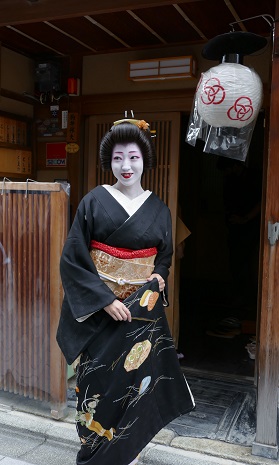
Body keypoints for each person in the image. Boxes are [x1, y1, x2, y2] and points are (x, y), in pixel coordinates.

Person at [56, 118, 194, 465]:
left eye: (133, 157)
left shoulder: (159, 209)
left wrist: (160, 275)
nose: (126, 166)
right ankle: (93, 452)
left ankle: (126, 453)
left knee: (134, 387)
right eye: (118, 158)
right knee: (96, 385)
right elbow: (73, 257)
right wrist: (103, 301)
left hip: (140, 316)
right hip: (100, 318)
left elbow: (164, 257)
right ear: (110, 162)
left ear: (144, 160)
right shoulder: (94, 201)